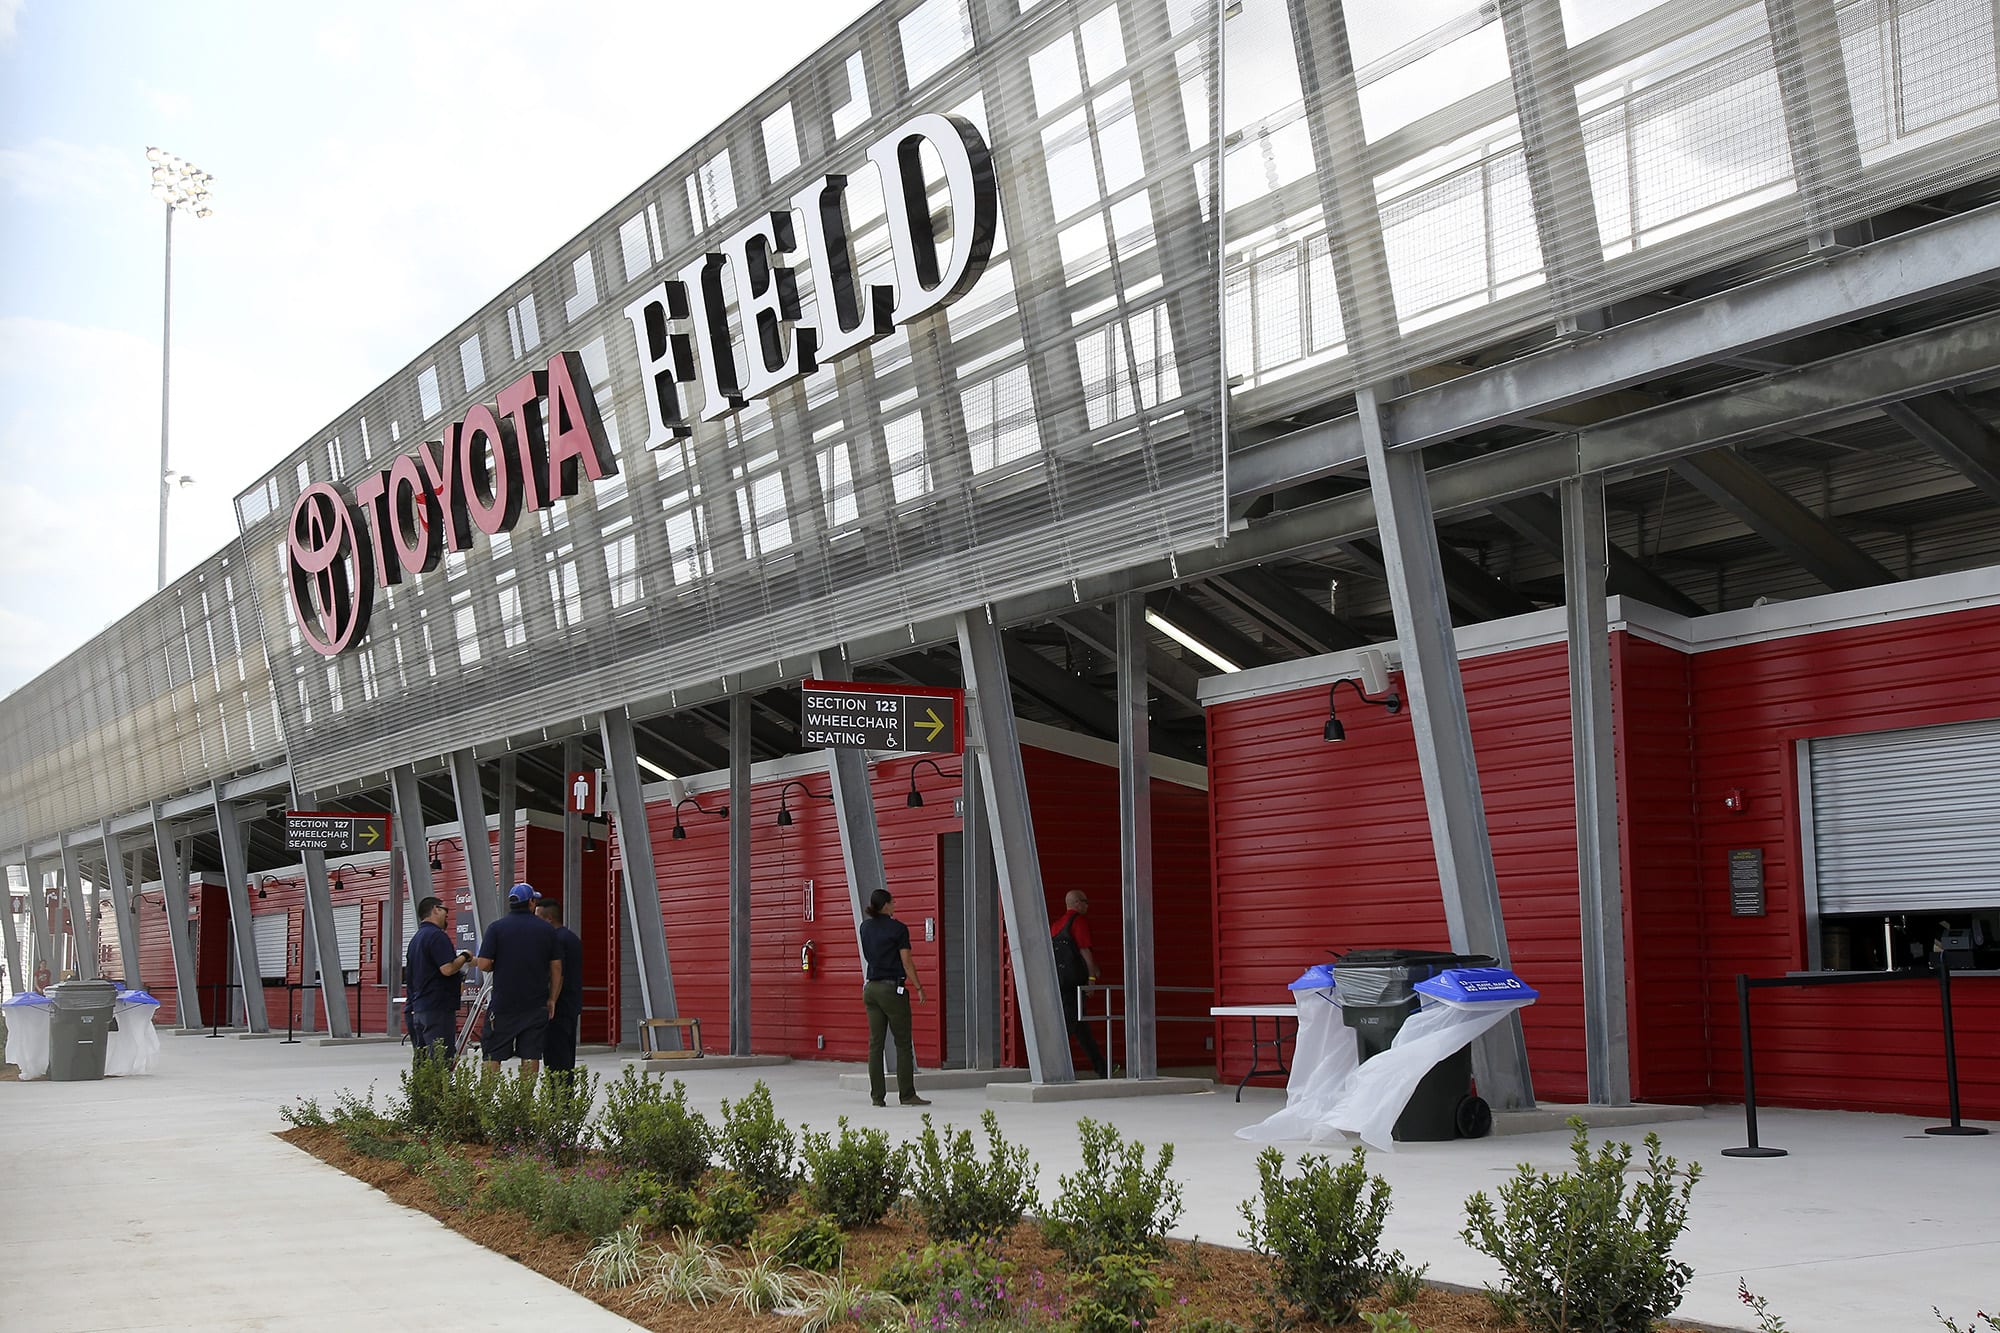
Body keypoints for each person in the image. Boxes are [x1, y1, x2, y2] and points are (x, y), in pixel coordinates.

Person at [471, 883, 561, 1078]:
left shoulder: (496, 928)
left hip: (503, 1004)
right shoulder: (546, 930)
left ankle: (487, 1100)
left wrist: (500, 964)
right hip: (535, 1003)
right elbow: (556, 968)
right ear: (531, 902)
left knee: (493, 1053)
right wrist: (552, 999)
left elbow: (484, 964)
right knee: (531, 1053)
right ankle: (524, 1103)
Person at [857, 888, 930, 1107]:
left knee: (875, 1044)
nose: (895, 904)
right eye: (892, 901)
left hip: (871, 988)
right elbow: (906, 961)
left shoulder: (865, 927)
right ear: (886, 905)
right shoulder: (898, 929)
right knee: (903, 1043)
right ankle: (906, 1094)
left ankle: (877, 1096)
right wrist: (918, 986)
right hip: (892, 989)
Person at [404, 895, 473, 1063]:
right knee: (441, 1061)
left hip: (419, 1009)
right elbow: (448, 968)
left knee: (423, 1063)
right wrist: (465, 956)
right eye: (445, 910)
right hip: (437, 1009)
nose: (447, 915)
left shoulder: (416, 939)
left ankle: (422, 1090)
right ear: (435, 909)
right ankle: (441, 1090)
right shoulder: (437, 936)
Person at [1050, 890, 1109, 1078]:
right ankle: (1053, 1068)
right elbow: (1084, 951)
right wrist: (1091, 978)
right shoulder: (1078, 922)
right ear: (1076, 903)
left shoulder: (1056, 926)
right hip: (1075, 984)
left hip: (1059, 982)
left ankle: (1102, 1067)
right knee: (1069, 1024)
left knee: (1080, 1027)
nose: (1087, 905)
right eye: (1085, 901)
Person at [535, 897, 584, 1084]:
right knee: (566, 1054)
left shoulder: (556, 940)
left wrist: (551, 999)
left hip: (559, 1006)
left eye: (537, 917)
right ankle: (565, 1097)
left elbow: (559, 973)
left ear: (548, 919)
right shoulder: (571, 937)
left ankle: (558, 1100)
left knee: (555, 1056)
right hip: (571, 1004)